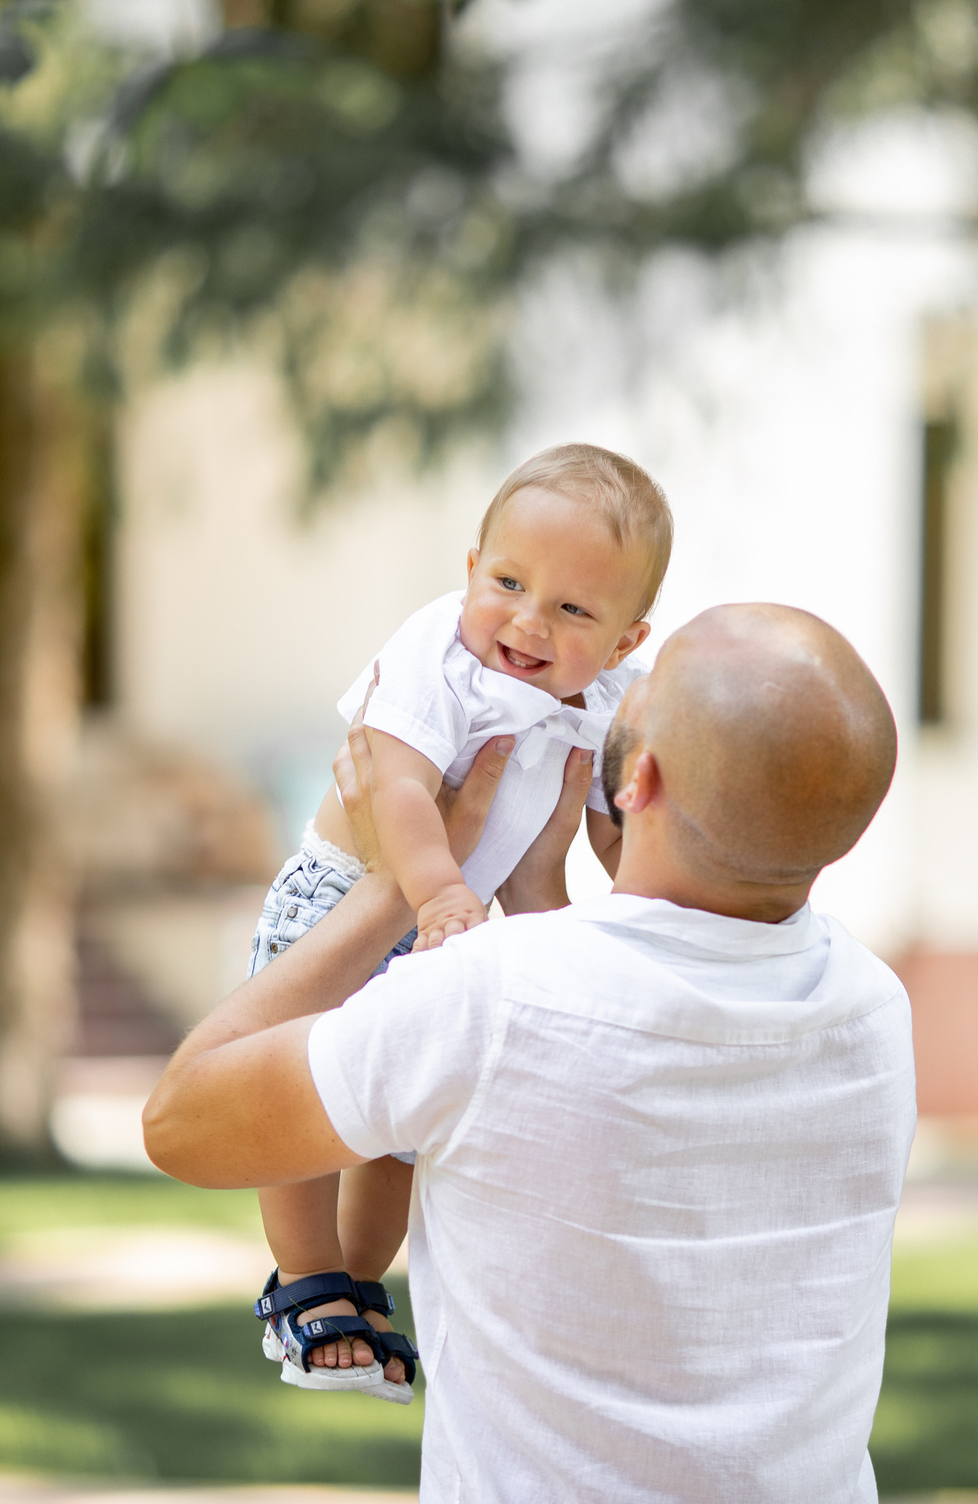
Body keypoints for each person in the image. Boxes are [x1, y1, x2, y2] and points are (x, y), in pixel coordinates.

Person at [144, 603, 916, 1501]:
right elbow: (609, 1045)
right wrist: (540, 887)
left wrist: (395, 887)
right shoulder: (871, 1012)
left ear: (641, 779)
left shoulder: (494, 995)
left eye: (648, 683)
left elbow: (184, 1122)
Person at [244, 443, 674, 1403]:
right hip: (349, 895)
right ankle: (306, 1273)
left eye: (573, 608)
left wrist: (639, 882)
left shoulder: (600, 703)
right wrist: (437, 892)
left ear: (626, 639)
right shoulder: (437, 654)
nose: (528, 619)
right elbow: (393, 787)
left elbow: (611, 818)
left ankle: (359, 1279)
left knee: (404, 1129)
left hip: (457, 924)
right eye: (510, 581)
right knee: (301, 1097)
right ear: (470, 570)